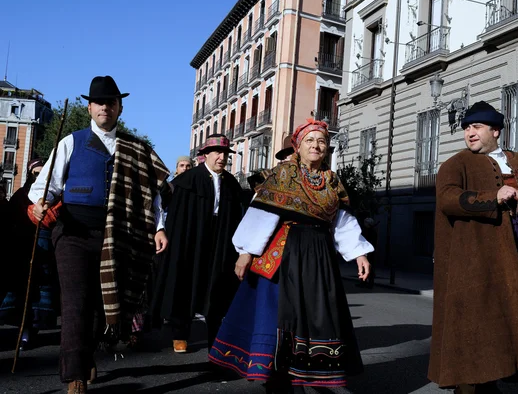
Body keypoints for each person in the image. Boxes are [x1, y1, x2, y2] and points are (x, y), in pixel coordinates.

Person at [208, 119, 373, 392]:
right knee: (281, 315)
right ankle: (278, 373)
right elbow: (263, 213)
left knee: (318, 314)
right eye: (310, 140)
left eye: (321, 141)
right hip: (287, 253)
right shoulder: (283, 175)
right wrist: (246, 252)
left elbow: (341, 222)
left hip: (320, 257)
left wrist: (359, 254)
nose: (316, 146)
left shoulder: (331, 182)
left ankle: (312, 370)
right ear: (298, 146)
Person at [30, 76, 170, 394]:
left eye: (111, 102)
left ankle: (88, 353)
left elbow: (151, 194)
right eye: (99, 102)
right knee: (76, 302)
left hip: (117, 235)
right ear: (90, 107)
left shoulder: (135, 149)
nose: (105, 107)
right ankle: (74, 375)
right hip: (73, 233)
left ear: (119, 107)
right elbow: (45, 187)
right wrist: (40, 204)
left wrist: (159, 227)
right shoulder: (71, 142)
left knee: (103, 303)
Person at [428, 101, 518, 393]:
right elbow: (448, 199)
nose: (469, 133)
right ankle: (472, 386)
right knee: (478, 325)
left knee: (508, 321)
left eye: (476, 127)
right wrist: (494, 196)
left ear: (495, 130)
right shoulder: (456, 164)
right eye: (466, 128)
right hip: (478, 262)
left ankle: (496, 377)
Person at [152, 134, 244, 354]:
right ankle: (180, 333)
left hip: (220, 239)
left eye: (225, 154)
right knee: (185, 283)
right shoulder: (187, 180)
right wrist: (161, 229)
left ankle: (216, 338)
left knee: (217, 286)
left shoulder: (231, 183)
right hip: (190, 239)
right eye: (217, 153)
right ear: (206, 155)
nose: (222, 158)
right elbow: (162, 206)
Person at [0, 159, 60, 351]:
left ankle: (31, 331)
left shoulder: (55, 196)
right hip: (21, 248)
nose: (38, 177)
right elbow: (10, 215)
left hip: (45, 249)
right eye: (35, 173)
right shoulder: (21, 195)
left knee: (39, 291)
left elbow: (55, 217)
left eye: (41, 174)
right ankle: (19, 330)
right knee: (20, 290)